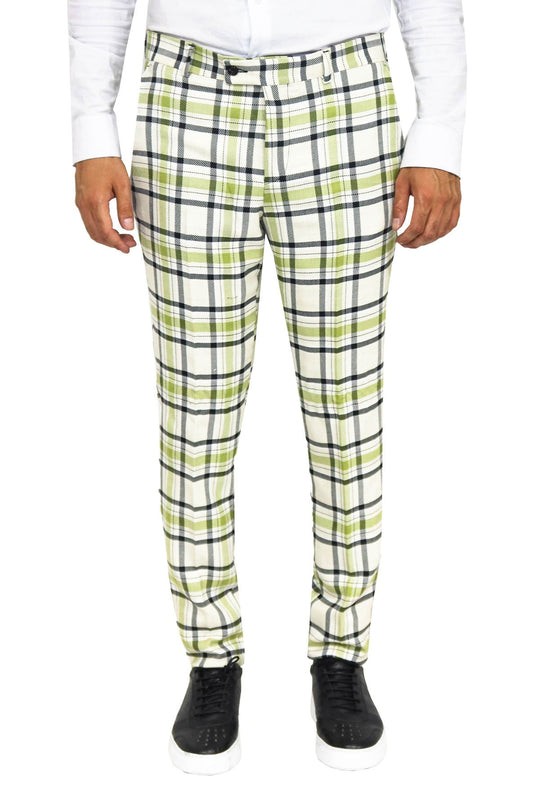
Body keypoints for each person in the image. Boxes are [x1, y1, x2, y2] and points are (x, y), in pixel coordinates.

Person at [68, 0, 466, 774]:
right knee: (195, 407)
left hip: (344, 99)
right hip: (187, 99)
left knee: (346, 403)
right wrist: (91, 127)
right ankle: (211, 659)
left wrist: (440, 132)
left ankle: (341, 653)